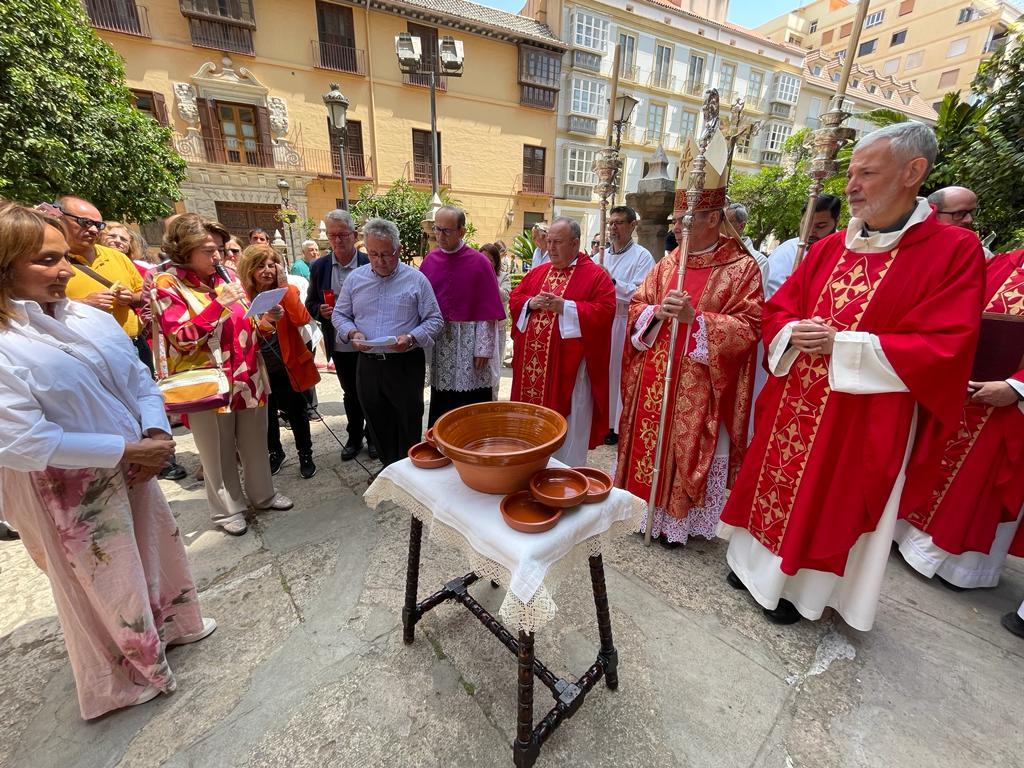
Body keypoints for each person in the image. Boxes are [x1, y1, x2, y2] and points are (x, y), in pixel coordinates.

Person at [718, 122, 986, 630]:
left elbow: (945, 345)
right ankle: (752, 566)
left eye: (867, 173)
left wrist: (843, 346)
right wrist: (792, 330)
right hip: (796, 398)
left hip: (864, 413)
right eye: (851, 174)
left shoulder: (952, 251)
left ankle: (800, 592)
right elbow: (780, 308)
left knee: (831, 499)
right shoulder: (829, 248)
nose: (852, 186)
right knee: (773, 478)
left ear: (913, 172)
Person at [0, 201, 215, 719]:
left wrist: (155, 431)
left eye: (65, 258)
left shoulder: (87, 316)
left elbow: (137, 376)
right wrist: (128, 449)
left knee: (153, 548)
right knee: (104, 579)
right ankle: (127, 676)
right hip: (67, 484)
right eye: (47, 261)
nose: (65, 270)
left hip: (135, 461)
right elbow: (22, 439)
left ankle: (170, 627)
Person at [616, 133, 762, 547]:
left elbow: (750, 326)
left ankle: (679, 523)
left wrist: (696, 321)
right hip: (655, 374)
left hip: (699, 381)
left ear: (713, 219)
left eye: (687, 220)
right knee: (649, 442)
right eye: (677, 220)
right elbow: (638, 306)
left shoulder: (741, 268)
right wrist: (655, 314)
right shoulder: (667, 265)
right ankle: (643, 511)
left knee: (685, 446)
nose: (677, 227)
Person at [154, 214, 293, 536]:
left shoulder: (226, 276)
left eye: (219, 248)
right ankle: (227, 509)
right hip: (209, 382)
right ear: (184, 249)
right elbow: (181, 338)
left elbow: (248, 324)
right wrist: (217, 305)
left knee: (255, 442)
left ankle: (263, 494)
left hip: (248, 375)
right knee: (217, 451)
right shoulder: (166, 284)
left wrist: (267, 320)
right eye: (208, 250)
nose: (217, 256)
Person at [893, 249, 1024, 589]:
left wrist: (1016, 387)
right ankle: (903, 537)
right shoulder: (1000, 263)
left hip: (1007, 407)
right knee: (930, 461)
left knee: (975, 480)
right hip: (958, 388)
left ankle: (960, 568)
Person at [333, 218, 443, 466]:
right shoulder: (356, 279)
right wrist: (352, 333)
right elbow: (340, 315)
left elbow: (435, 320)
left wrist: (412, 337)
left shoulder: (416, 280)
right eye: (373, 254)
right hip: (368, 364)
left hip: (404, 363)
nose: (379, 261)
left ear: (398, 249)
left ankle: (408, 471)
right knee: (376, 422)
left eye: (386, 254)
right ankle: (388, 469)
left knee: (408, 421)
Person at [509, 217, 616, 467]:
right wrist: (530, 303)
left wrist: (565, 307)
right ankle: (527, 470)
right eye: (549, 242)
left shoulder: (595, 276)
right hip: (532, 372)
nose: (551, 248)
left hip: (568, 372)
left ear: (575, 243)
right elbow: (516, 298)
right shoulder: (538, 272)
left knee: (568, 432)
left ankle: (565, 477)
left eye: (557, 242)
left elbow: (605, 311)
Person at [237, 244, 320, 479]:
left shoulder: (285, 290)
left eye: (271, 265)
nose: (267, 270)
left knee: (297, 412)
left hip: (287, 364)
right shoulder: (243, 297)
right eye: (260, 265)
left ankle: (305, 454)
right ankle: (275, 452)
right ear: (250, 269)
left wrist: (284, 286)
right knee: (267, 415)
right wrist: (264, 321)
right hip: (258, 368)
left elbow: (302, 319)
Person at [421, 206, 505, 425]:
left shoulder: (480, 262)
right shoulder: (430, 260)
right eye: (437, 229)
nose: (440, 236)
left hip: (471, 341)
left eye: (447, 231)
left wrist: (483, 348)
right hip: (441, 341)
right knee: (443, 398)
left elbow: (488, 310)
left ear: (462, 231)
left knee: (472, 401)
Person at [306, 210, 374, 461]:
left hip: (369, 340)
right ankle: (354, 437)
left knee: (371, 392)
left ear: (354, 235)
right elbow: (310, 302)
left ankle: (373, 437)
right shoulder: (320, 267)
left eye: (343, 234)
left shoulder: (369, 262)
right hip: (340, 342)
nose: (337, 240)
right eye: (332, 235)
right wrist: (319, 310)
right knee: (350, 393)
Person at [54, 196, 148, 366]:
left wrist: (131, 297)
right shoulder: (49, 261)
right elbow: (35, 308)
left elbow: (145, 295)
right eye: (84, 222)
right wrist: (83, 304)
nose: (93, 230)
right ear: (59, 218)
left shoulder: (118, 257)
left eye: (98, 225)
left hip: (133, 346)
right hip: (85, 354)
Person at [601, 205, 655, 445]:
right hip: (601, 322)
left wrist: (612, 282)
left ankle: (614, 425)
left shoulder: (642, 257)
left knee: (616, 374)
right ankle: (599, 418)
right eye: (611, 222)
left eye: (619, 222)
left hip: (623, 322)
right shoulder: (600, 255)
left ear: (633, 226)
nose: (613, 227)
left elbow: (642, 293)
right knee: (600, 372)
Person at [763, 194, 841, 299]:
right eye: (806, 224)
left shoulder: (847, 252)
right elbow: (772, 295)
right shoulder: (785, 252)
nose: (810, 232)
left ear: (837, 221)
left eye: (820, 226)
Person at [480, 242, 512, 393]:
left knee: (494, 370)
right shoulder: (474, 276)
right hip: (478, 329)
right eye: (483, 260)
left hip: (497, 329)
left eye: (490, 261)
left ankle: (493, 399)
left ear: (496, 261)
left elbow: (505, 297)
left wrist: (490, 278)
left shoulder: (503, 277)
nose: (486, 263)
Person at [928, 185, 992, 258]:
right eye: (959, 213)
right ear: (933, 213)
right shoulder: (921, 250)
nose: (969, 219)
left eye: (972, 212)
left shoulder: (981, 255)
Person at [724, 202, 767, 275]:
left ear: (741, 226)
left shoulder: (759, 261)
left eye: (727, 223)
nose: (721, 227)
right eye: (721, 222)